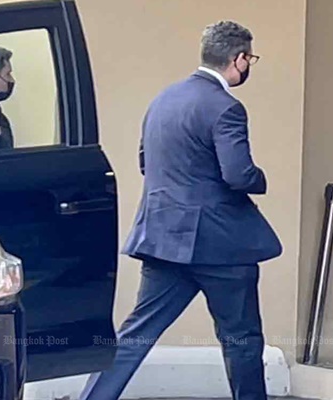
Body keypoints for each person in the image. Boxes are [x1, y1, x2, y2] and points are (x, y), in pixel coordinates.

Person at [78, 21, 281, 400]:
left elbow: (145, 161)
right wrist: (261, 179)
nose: (248, 65)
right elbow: (238, 175)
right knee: (241, 339)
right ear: (238, 59)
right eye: (250, 59)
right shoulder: (226, 107)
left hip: (164, 238)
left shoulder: (164, 100)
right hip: (221, 245)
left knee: (136, 333)